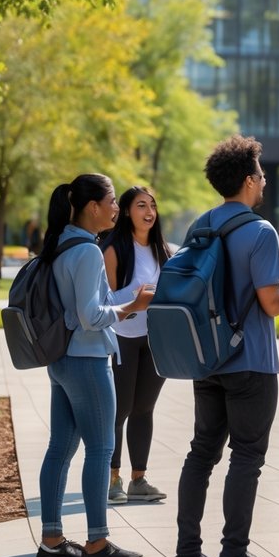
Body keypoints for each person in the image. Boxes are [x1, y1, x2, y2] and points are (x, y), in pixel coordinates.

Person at [171, 135, 279, 557]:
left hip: (207, 359)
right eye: (261, 175)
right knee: (247, 456)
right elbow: (271, 303)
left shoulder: (200, 226)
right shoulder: (260, 231)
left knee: (201, 452)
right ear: (248, 180)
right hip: (251, 361)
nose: (263, 182)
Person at [33, 174, 153, 557]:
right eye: (113, 200)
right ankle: (97, 543)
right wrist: (130, 307)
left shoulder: (60, 245)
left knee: (60, 449)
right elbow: (90, 316)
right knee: (101, 450)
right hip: (86, 360)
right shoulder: (86, 252)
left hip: (62, 360)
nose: (117, 207)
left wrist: (125, 303)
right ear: (92, 207)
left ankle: (51, 541)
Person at [102, 186, 172, 506]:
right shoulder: (114, 249)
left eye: (153, 205)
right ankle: (113, 478)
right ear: (127, 211)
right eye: (141, 205)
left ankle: (138, 479)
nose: (149, 211)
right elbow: (105, 301)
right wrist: (136, 301)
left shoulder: (162, 249)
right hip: (123, 337)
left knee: (144, 408)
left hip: (155, 338)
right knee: (120, 410)